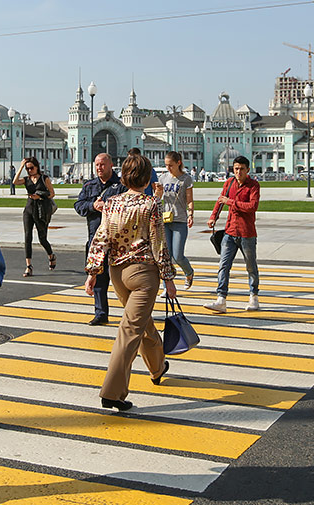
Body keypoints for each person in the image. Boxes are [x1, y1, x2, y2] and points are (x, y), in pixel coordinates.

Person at [84, 154, 176, 411]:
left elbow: (101, 237)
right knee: (129, 331)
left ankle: (158, 368)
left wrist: (93, 271)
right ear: (147, 179)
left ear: (123, 177)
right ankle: (112, 393)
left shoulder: (111, 203)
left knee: (141, 324)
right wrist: (168, 278)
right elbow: (159, 245)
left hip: (117, 274)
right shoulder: (151, 205)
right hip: (144, 274)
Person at [75, 153, 127, 325]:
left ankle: (130, 312)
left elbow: (127, 207)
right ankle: (100, 313)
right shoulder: (89, 185)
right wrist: (93, 206)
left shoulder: (121, 186)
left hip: (116, 240)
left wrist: (108, 207)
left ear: (111, 165)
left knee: (122, 280)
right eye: (97, 165)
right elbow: (79, 206)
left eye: (103, 164)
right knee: (98, 277)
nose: (99, 168)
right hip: (96, 240)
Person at [204, 156, 261, 313]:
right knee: (224, 265)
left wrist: (230, 202)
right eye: (236, 168)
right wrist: (213, 217)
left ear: (248, 170)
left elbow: (252, 206)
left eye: (242, 169)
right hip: (230, 231)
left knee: (251, 266)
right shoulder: (229, 183)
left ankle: (254, 296)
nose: (238, 171)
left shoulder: (253, 185)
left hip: (247, 233)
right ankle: (221, 299)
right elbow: (220, 201)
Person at [12, 157, 56, 277]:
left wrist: (40, 196)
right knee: (27, 237)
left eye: (31, 168)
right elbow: (14, 182)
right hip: (29, 210)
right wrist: (21, 167)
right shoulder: (26, 179)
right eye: (27, 168)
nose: (29, 170)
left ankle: (51, 255)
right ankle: (28, 266)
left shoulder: (44, 178)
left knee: (42, 238)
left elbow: (52, 193)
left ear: (37, 166)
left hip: (41, 210)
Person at [159, 151, 195, 290]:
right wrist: (157, 191)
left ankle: (189, 272)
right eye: (166, 165)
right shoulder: (163, 178)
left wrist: (191, 214)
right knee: (166, 256)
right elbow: (158, 197)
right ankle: (166, 286)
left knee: (178, 255)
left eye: (171, 165)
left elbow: (190, 200)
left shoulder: (186, 179)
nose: (168, 168)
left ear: (178, 163)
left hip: (180, 219)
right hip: (165, 219)